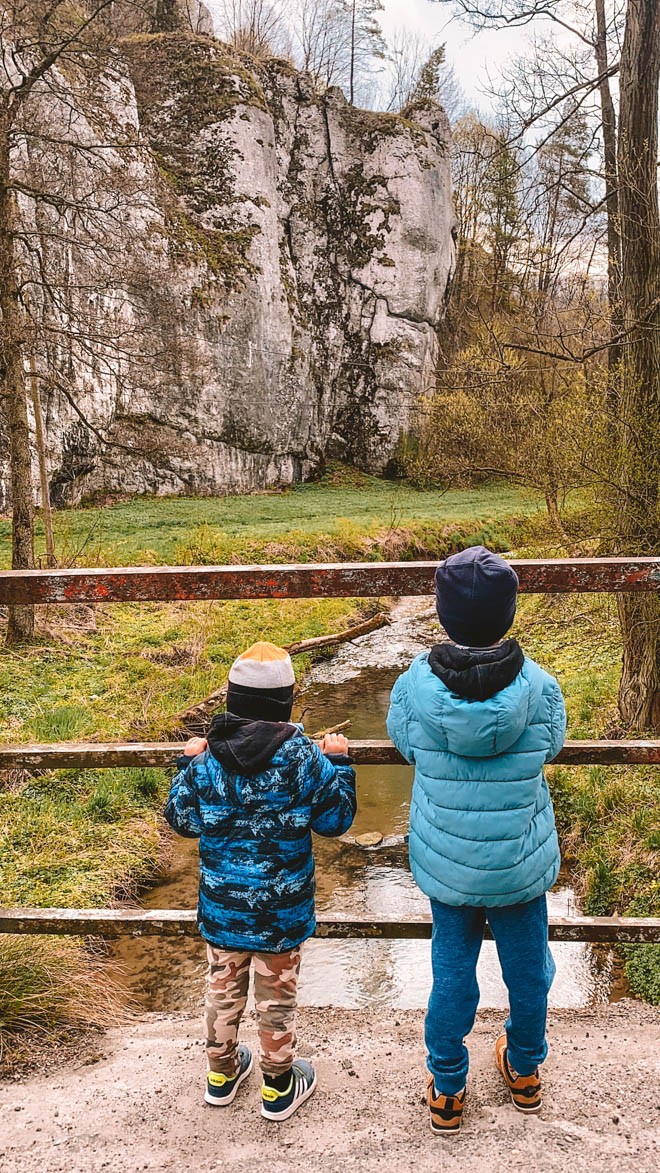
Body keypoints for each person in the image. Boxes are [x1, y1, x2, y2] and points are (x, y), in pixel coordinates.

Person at [387, 546, 566, 1136]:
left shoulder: (414, 683)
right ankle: (523, 1071)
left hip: (450, 863)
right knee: (528, 972)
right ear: (508, 614)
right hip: (517, 861)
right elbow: (552, 746)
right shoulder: (539, 684)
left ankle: (447, 1088)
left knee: (451, 972)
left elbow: (406, 746)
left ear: (442, 614)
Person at [165, 641, 356, 1121]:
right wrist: (340, 765)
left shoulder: (207, 759)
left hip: (223, 905)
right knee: (277, 997)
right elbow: (335, 821)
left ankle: (221, 1075)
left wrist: (186, 765)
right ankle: (277, 1086)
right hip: (282, 908)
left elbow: (182, 820)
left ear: (231, 699)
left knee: (222, 987)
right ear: (286, 702)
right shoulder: (302, 757)